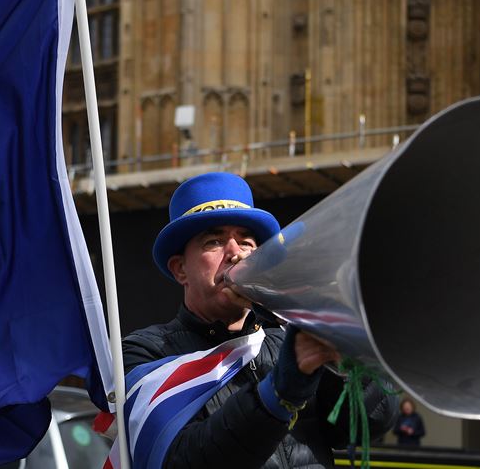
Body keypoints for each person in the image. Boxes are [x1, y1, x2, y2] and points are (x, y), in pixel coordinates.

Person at [122, 172, 399, 468]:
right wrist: (279, 392)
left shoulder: (284, 339)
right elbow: (185, 459)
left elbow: (367, 425)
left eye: (246, 243)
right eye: (214, 242)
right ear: (180, 269)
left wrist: (350, 363)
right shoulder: (148, 354)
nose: (235, 254)